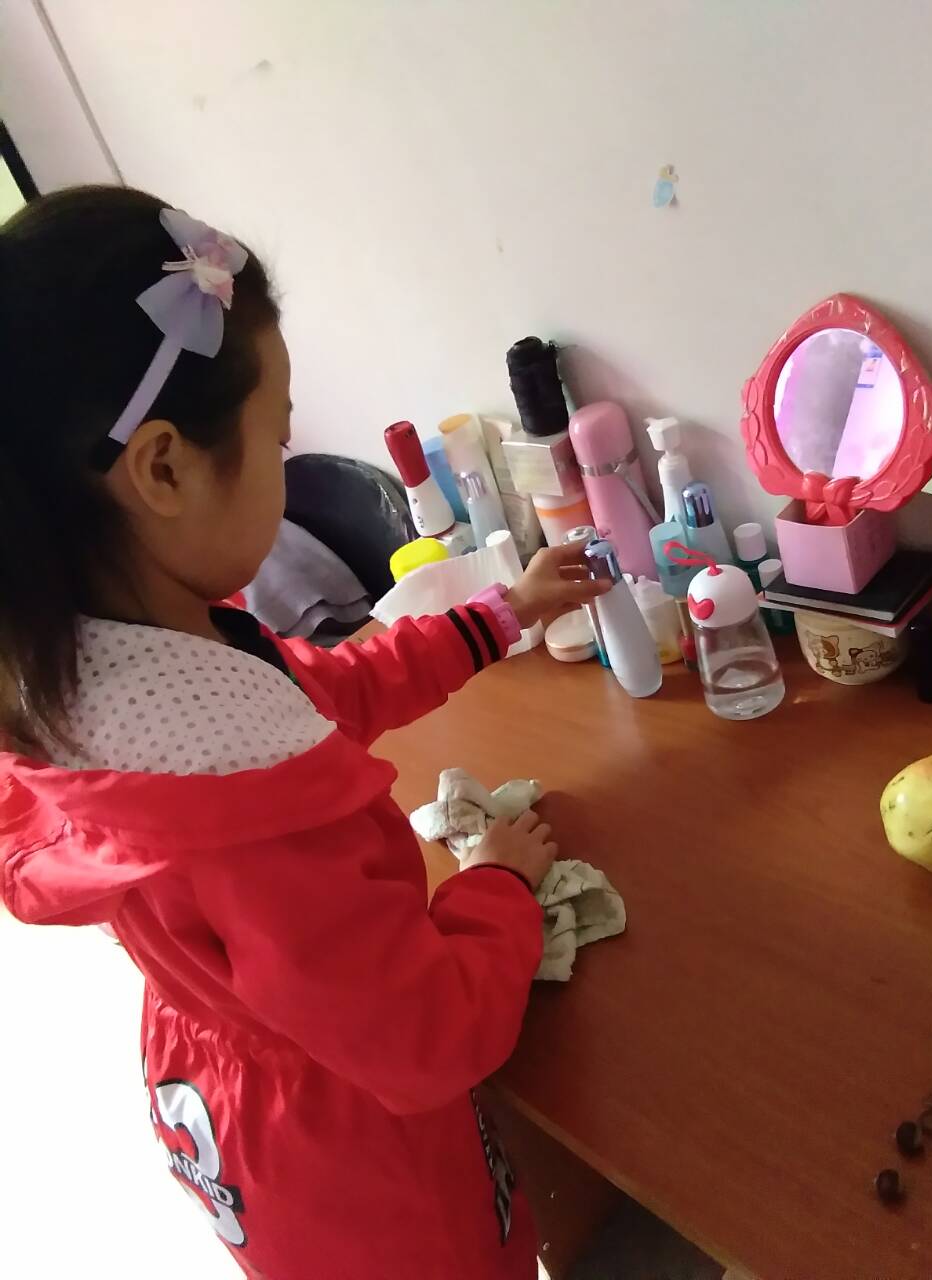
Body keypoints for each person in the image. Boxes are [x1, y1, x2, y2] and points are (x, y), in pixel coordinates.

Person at [0, 186, 608, 1280]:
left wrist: (501, 613)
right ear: (165, 467)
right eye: (277, 436)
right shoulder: (246, 821)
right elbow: (429, 1035)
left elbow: (334, 690)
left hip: (229, 1095)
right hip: (359, 1167)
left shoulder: (102, 680)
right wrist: (495, 885)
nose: (285, 464)